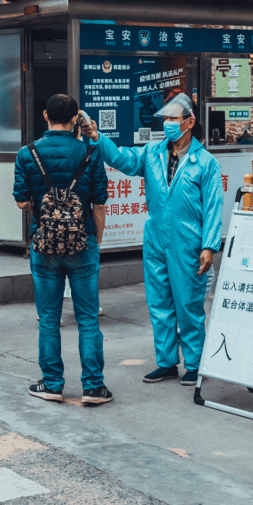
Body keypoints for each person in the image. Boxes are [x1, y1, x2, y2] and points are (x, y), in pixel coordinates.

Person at [82, 92, 223, 387]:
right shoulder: (152, 153)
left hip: (190, 243)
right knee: (159, 304)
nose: (168, 124)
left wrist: (209, 246)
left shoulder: (205, 163)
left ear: (190, 122)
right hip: (156, 239)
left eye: (173, 119)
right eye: (166, 119)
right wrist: (97, 138)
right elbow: (122, 158)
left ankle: (195, 365)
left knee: (189, 306)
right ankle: (166, 362)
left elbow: (212, 208)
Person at [14, 94, 112, 406]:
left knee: (49, 319)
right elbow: (99, 204)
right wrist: (94, 237)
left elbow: (20, 200)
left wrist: (47, 215)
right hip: (83, 244)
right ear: (75, 120)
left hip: (44, 247)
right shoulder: (90, 152)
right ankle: (94, 387)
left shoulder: (27, 153)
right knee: (87, 319)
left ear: (45, 115)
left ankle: (53, 384)